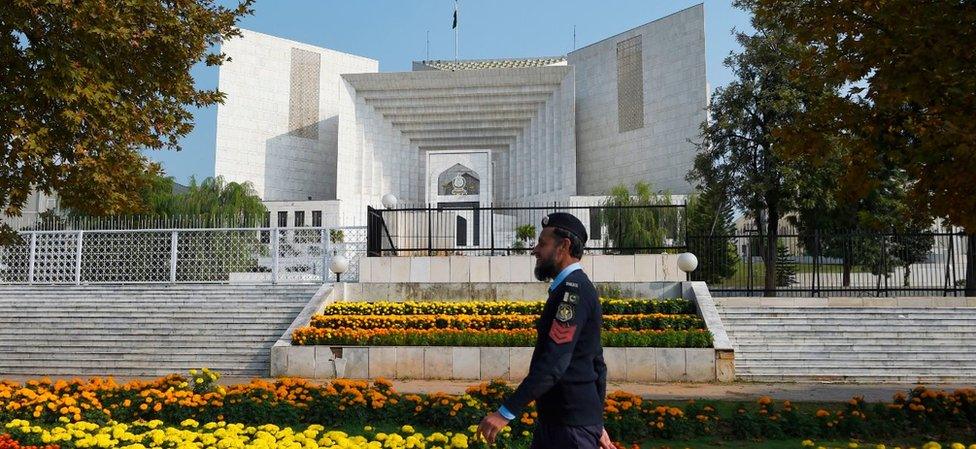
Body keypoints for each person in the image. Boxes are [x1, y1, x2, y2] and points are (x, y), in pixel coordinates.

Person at [477, 212, 613, 449]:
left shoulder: (573, 293)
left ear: (564, 246)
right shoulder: (570, 290)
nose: (535, 250)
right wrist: (595, 421)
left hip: (569, 428)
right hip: (561, 422)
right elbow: (597, 363)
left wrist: (506, 411)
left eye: (542, 243)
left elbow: (555, 361)